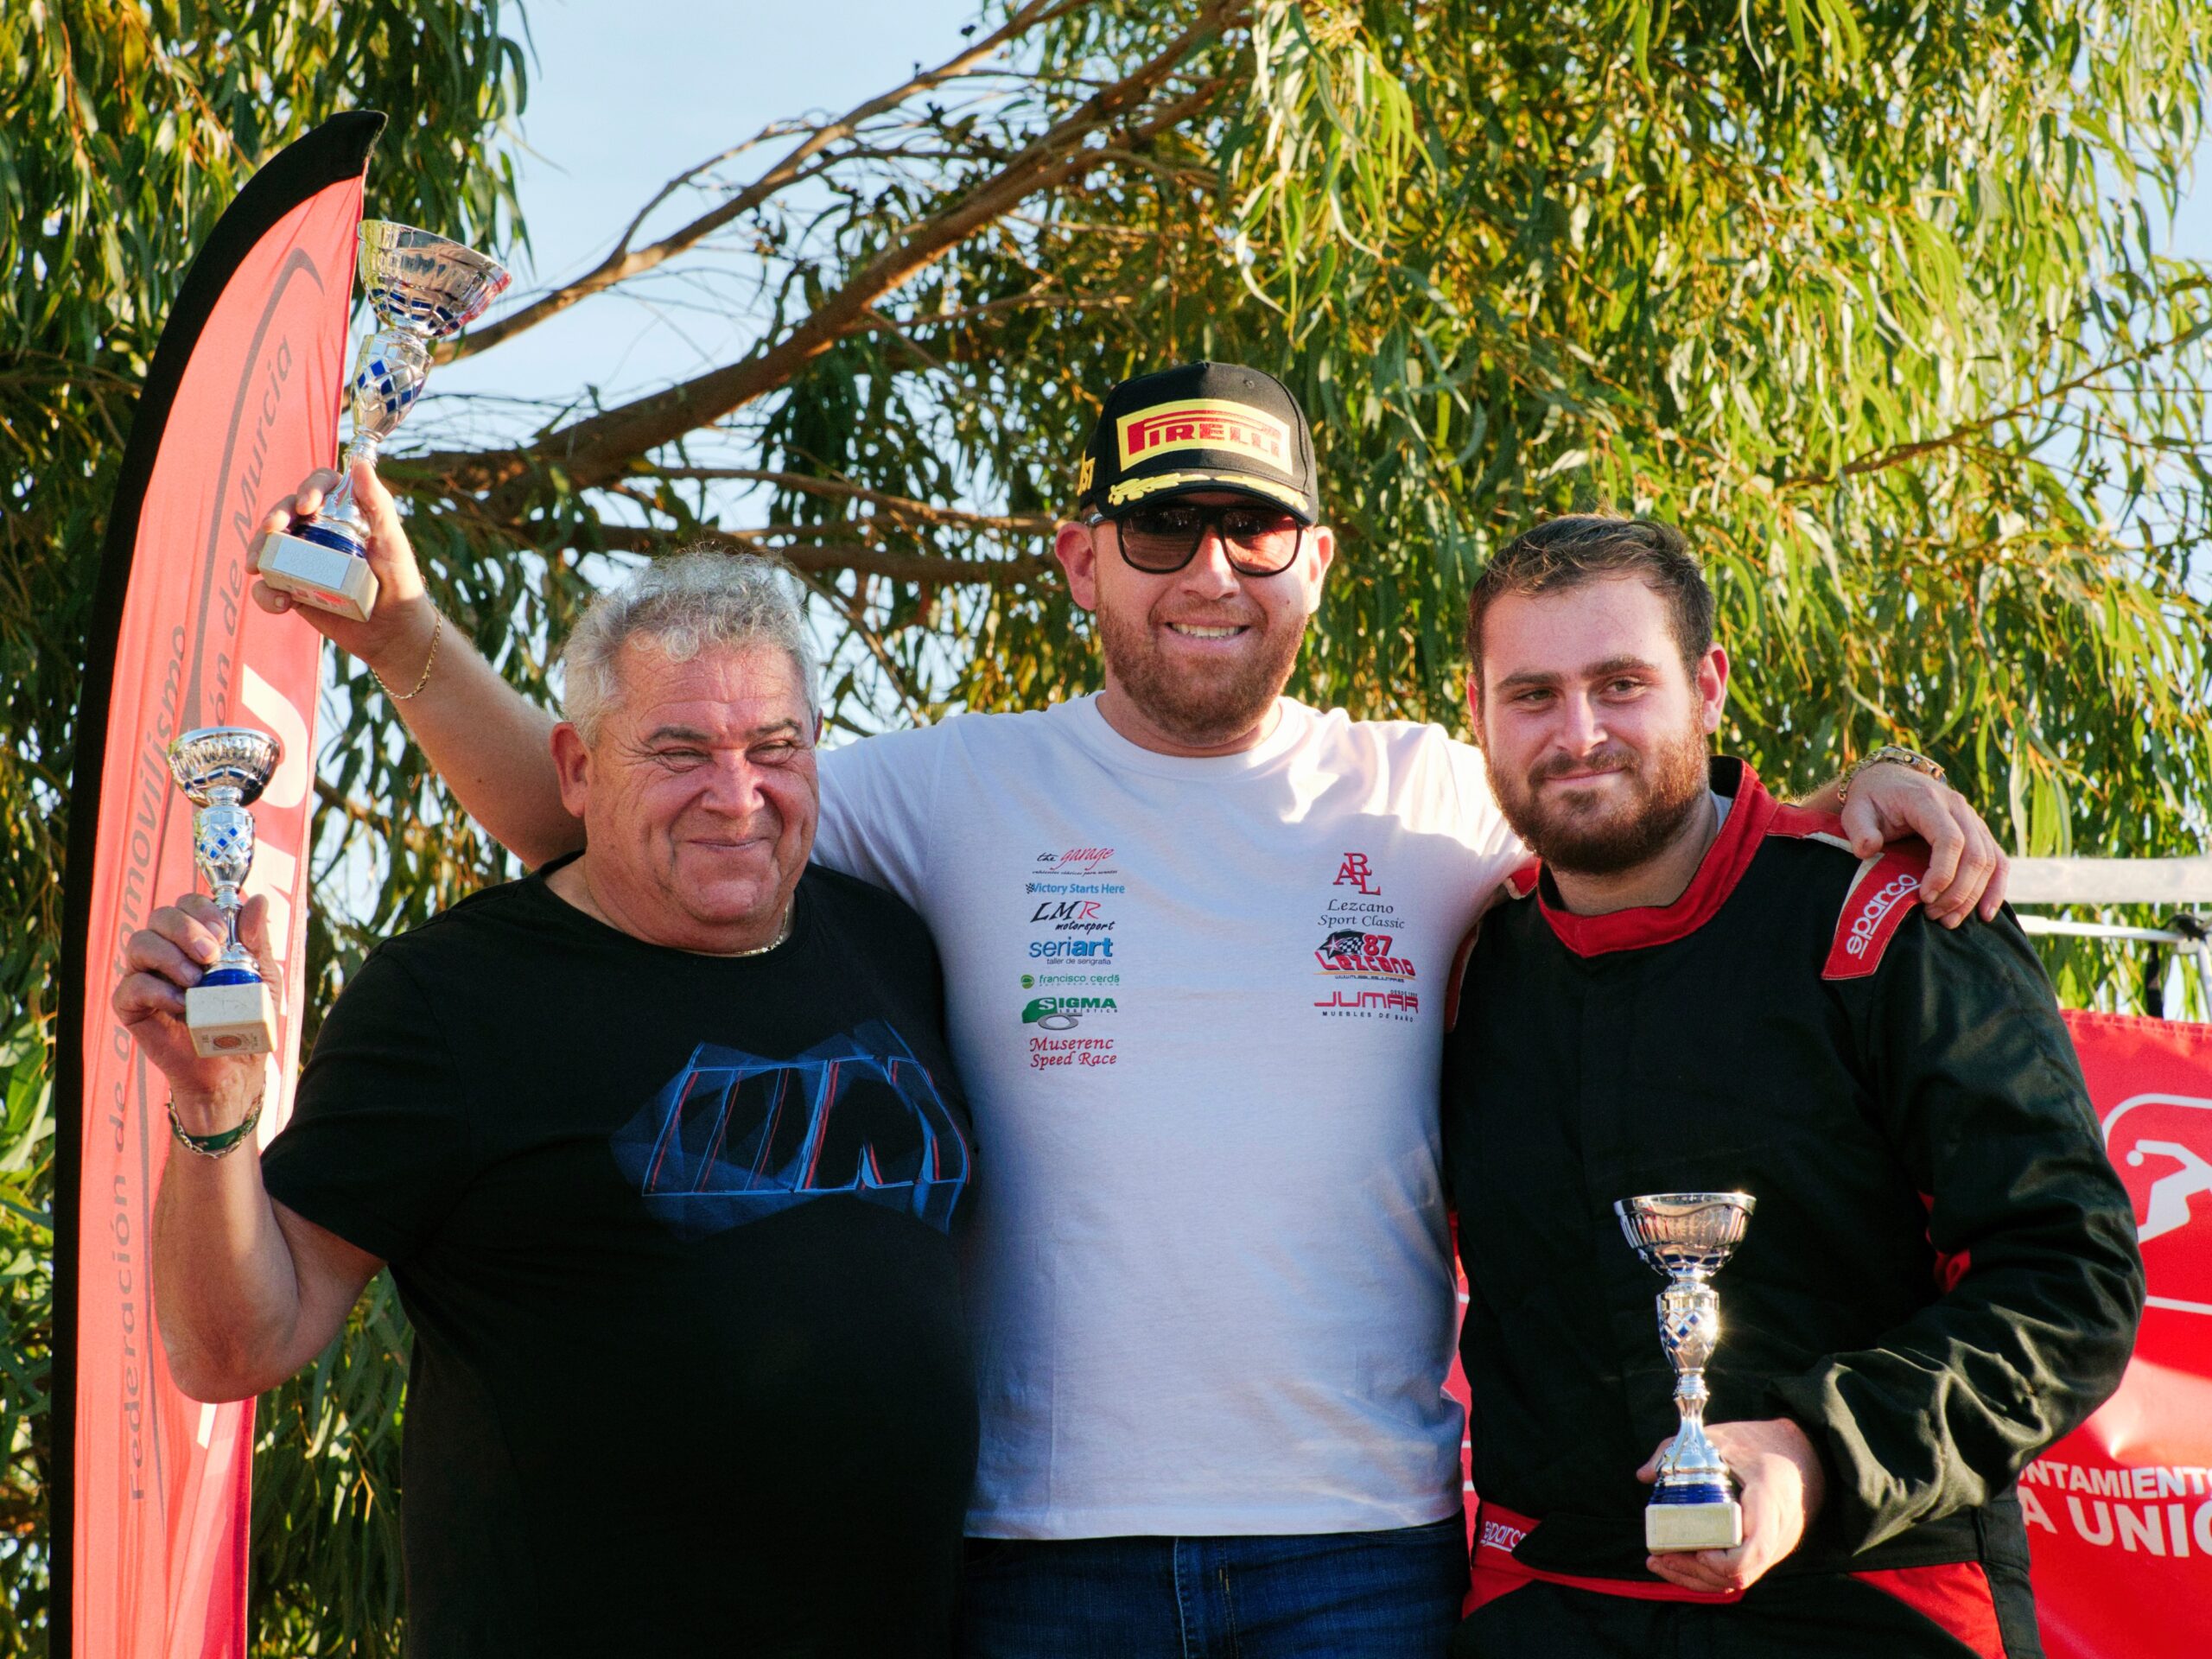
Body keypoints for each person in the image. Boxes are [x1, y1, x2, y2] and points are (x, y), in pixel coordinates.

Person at [255, 362, 2007, 1657]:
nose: (1210, 569)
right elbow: (611, 820)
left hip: (1362, 1555)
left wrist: (1843, 801)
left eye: (1253, 528)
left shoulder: (1433, 793)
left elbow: (1645, 825)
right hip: (1036, 1561)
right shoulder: (949, 790)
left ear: (1316, 560)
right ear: (1081, 558)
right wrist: (403, 634)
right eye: (1163, 527)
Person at [117, 555, 978, 1657]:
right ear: (576, 767)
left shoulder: (893, 944)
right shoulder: (452, 999)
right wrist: (215, 1114)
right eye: (679, 753)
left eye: (774, 748)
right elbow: (234, 1349)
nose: (737, 795)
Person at [1442, 516, 2143, 1657]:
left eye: (1621, 684)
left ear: (1708, 686)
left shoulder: (1889, 919)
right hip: (1548, 1603)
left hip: (1873, 1597)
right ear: (1476, 713)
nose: (1579, 733)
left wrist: (1816, 1454)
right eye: (1533, 696)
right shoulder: (1464, 955)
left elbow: (2071, 1284)